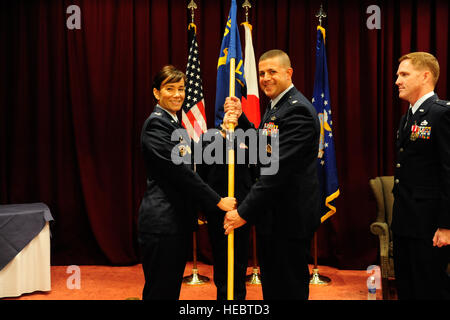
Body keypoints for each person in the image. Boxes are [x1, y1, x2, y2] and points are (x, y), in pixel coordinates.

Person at [222, 49, 321, 300]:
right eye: (262, 73)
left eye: (272, 72)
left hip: (289, 219)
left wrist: (243, 212)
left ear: (289, 73)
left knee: (287, 288)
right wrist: (242, 118)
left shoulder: (297, 111)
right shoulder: (277, 107)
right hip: (274, 217)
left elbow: (277, 172)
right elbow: (264, 148)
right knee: (274, 287)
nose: (265, 78)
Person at [137, 65, 236, 300]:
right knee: (161, 292)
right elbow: (180, 172)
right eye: (169, 89)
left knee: (168, 290)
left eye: (181, 89)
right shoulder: (156, 125)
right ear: (156, 93)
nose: (177, 94)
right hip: (162, 224)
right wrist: (217, 201)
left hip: (175, 222)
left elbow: (191, 157)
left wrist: (222, 131)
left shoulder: (174, 123)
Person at [392, 52, 450, 299]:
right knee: (407, 288)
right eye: (397, 75)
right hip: (406, 221)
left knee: (429, 290)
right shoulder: (408, 117)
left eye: (404, 74)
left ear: (425, 76)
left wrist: (447, 225)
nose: (397, 81)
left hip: (429, 225)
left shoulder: (441, 114)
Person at [196, 124, 257, 300]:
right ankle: (223, 299)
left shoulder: (249, 138)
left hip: (242, 211)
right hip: (217, 211)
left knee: (239, 262)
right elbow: (200, 176)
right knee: (221, 261)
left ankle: (238, 301)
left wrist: (248, 207)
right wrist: (211, 204)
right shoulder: (208, 139)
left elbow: (256, 174)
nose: (229, 114)